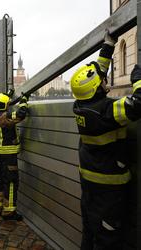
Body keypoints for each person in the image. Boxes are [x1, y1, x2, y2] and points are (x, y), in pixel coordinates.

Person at [70, 31, 141, 250]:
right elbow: (137, 104)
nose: (104, 80)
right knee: (107, 239)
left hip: (90, 183)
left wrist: (108, 47)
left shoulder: (81, 106)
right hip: (108, 189)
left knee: (90, 231)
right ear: (96, 88)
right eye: (102, 81)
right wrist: (138, 81)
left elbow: (96, 75)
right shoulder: (106, 111)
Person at [0, 92, 29, 221]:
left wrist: (8, 97)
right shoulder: (4, 117)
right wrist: (23, 101)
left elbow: (3, 107)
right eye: (6, 104)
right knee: (11, 183)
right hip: (9, 155)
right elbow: (20, 114)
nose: (8, 106)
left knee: (0, 180)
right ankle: (9, 211)